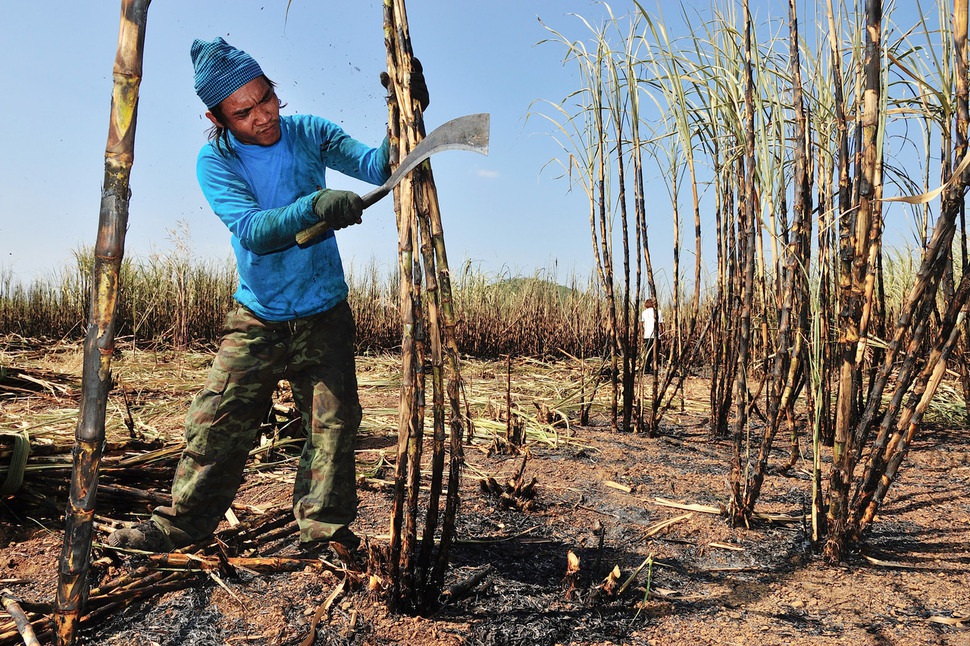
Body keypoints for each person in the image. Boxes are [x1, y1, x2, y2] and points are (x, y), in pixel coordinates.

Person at [108, 37, 428, 554]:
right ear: (218, 118)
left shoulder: (310, 133)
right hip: (258, 315)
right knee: (216, 422)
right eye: (244, 111)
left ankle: (323, 532)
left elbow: (383, 165)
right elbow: (255, 229)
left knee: (334, 423)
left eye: (267, 99)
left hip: (324, 311)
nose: (262, 116)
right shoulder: (215, 163)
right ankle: (181, 525)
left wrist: (405, 112)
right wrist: (315, 206)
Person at [641, 298, 663, 374]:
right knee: (655, 353)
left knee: (647, 353)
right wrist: (662, 334)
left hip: (647, 336)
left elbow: (642, 325)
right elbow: (660, 324)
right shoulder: (658, 312)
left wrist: (641, 335)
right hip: (656, 335)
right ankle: (654, 368)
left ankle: (646, 368)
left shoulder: (644, 313)